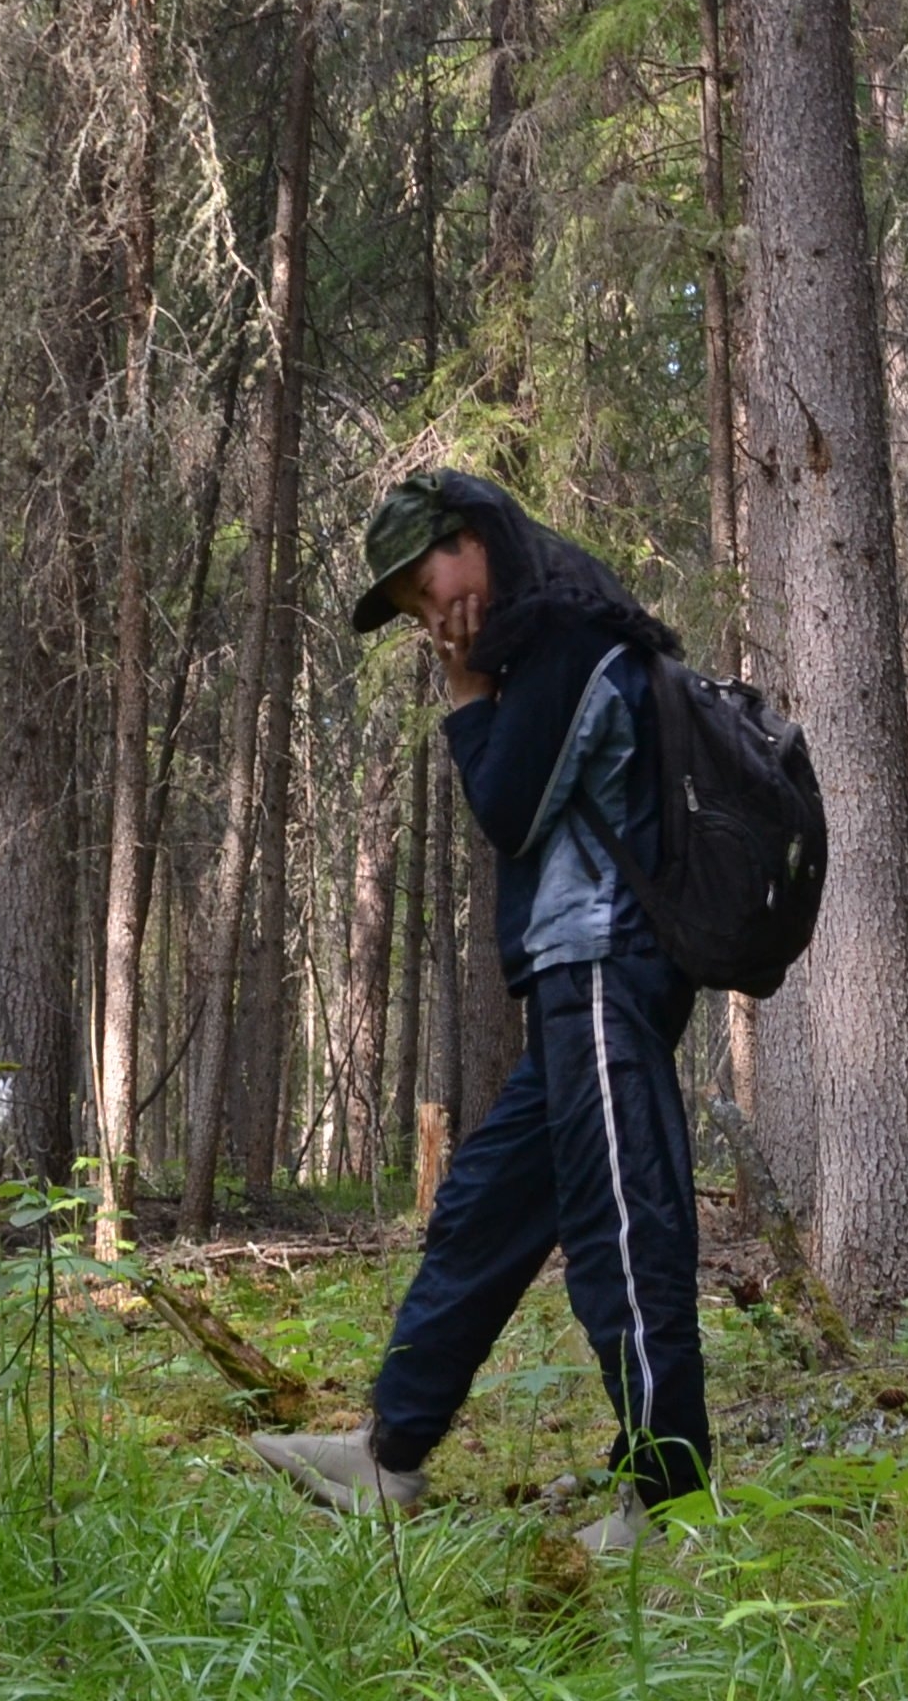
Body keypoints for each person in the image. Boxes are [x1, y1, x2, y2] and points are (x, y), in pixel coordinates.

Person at [248, 469, 713, 1552]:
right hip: (570, 970)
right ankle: (387, 1457)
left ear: (477, 538)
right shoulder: (538, 632)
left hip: (606, 964)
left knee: (624, 1228)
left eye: (426, 581)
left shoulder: (563, 633)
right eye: (410, 607)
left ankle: (673, 1506)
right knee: (483, 1211)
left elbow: (507, 807)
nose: (429, 614)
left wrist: (461, 689)